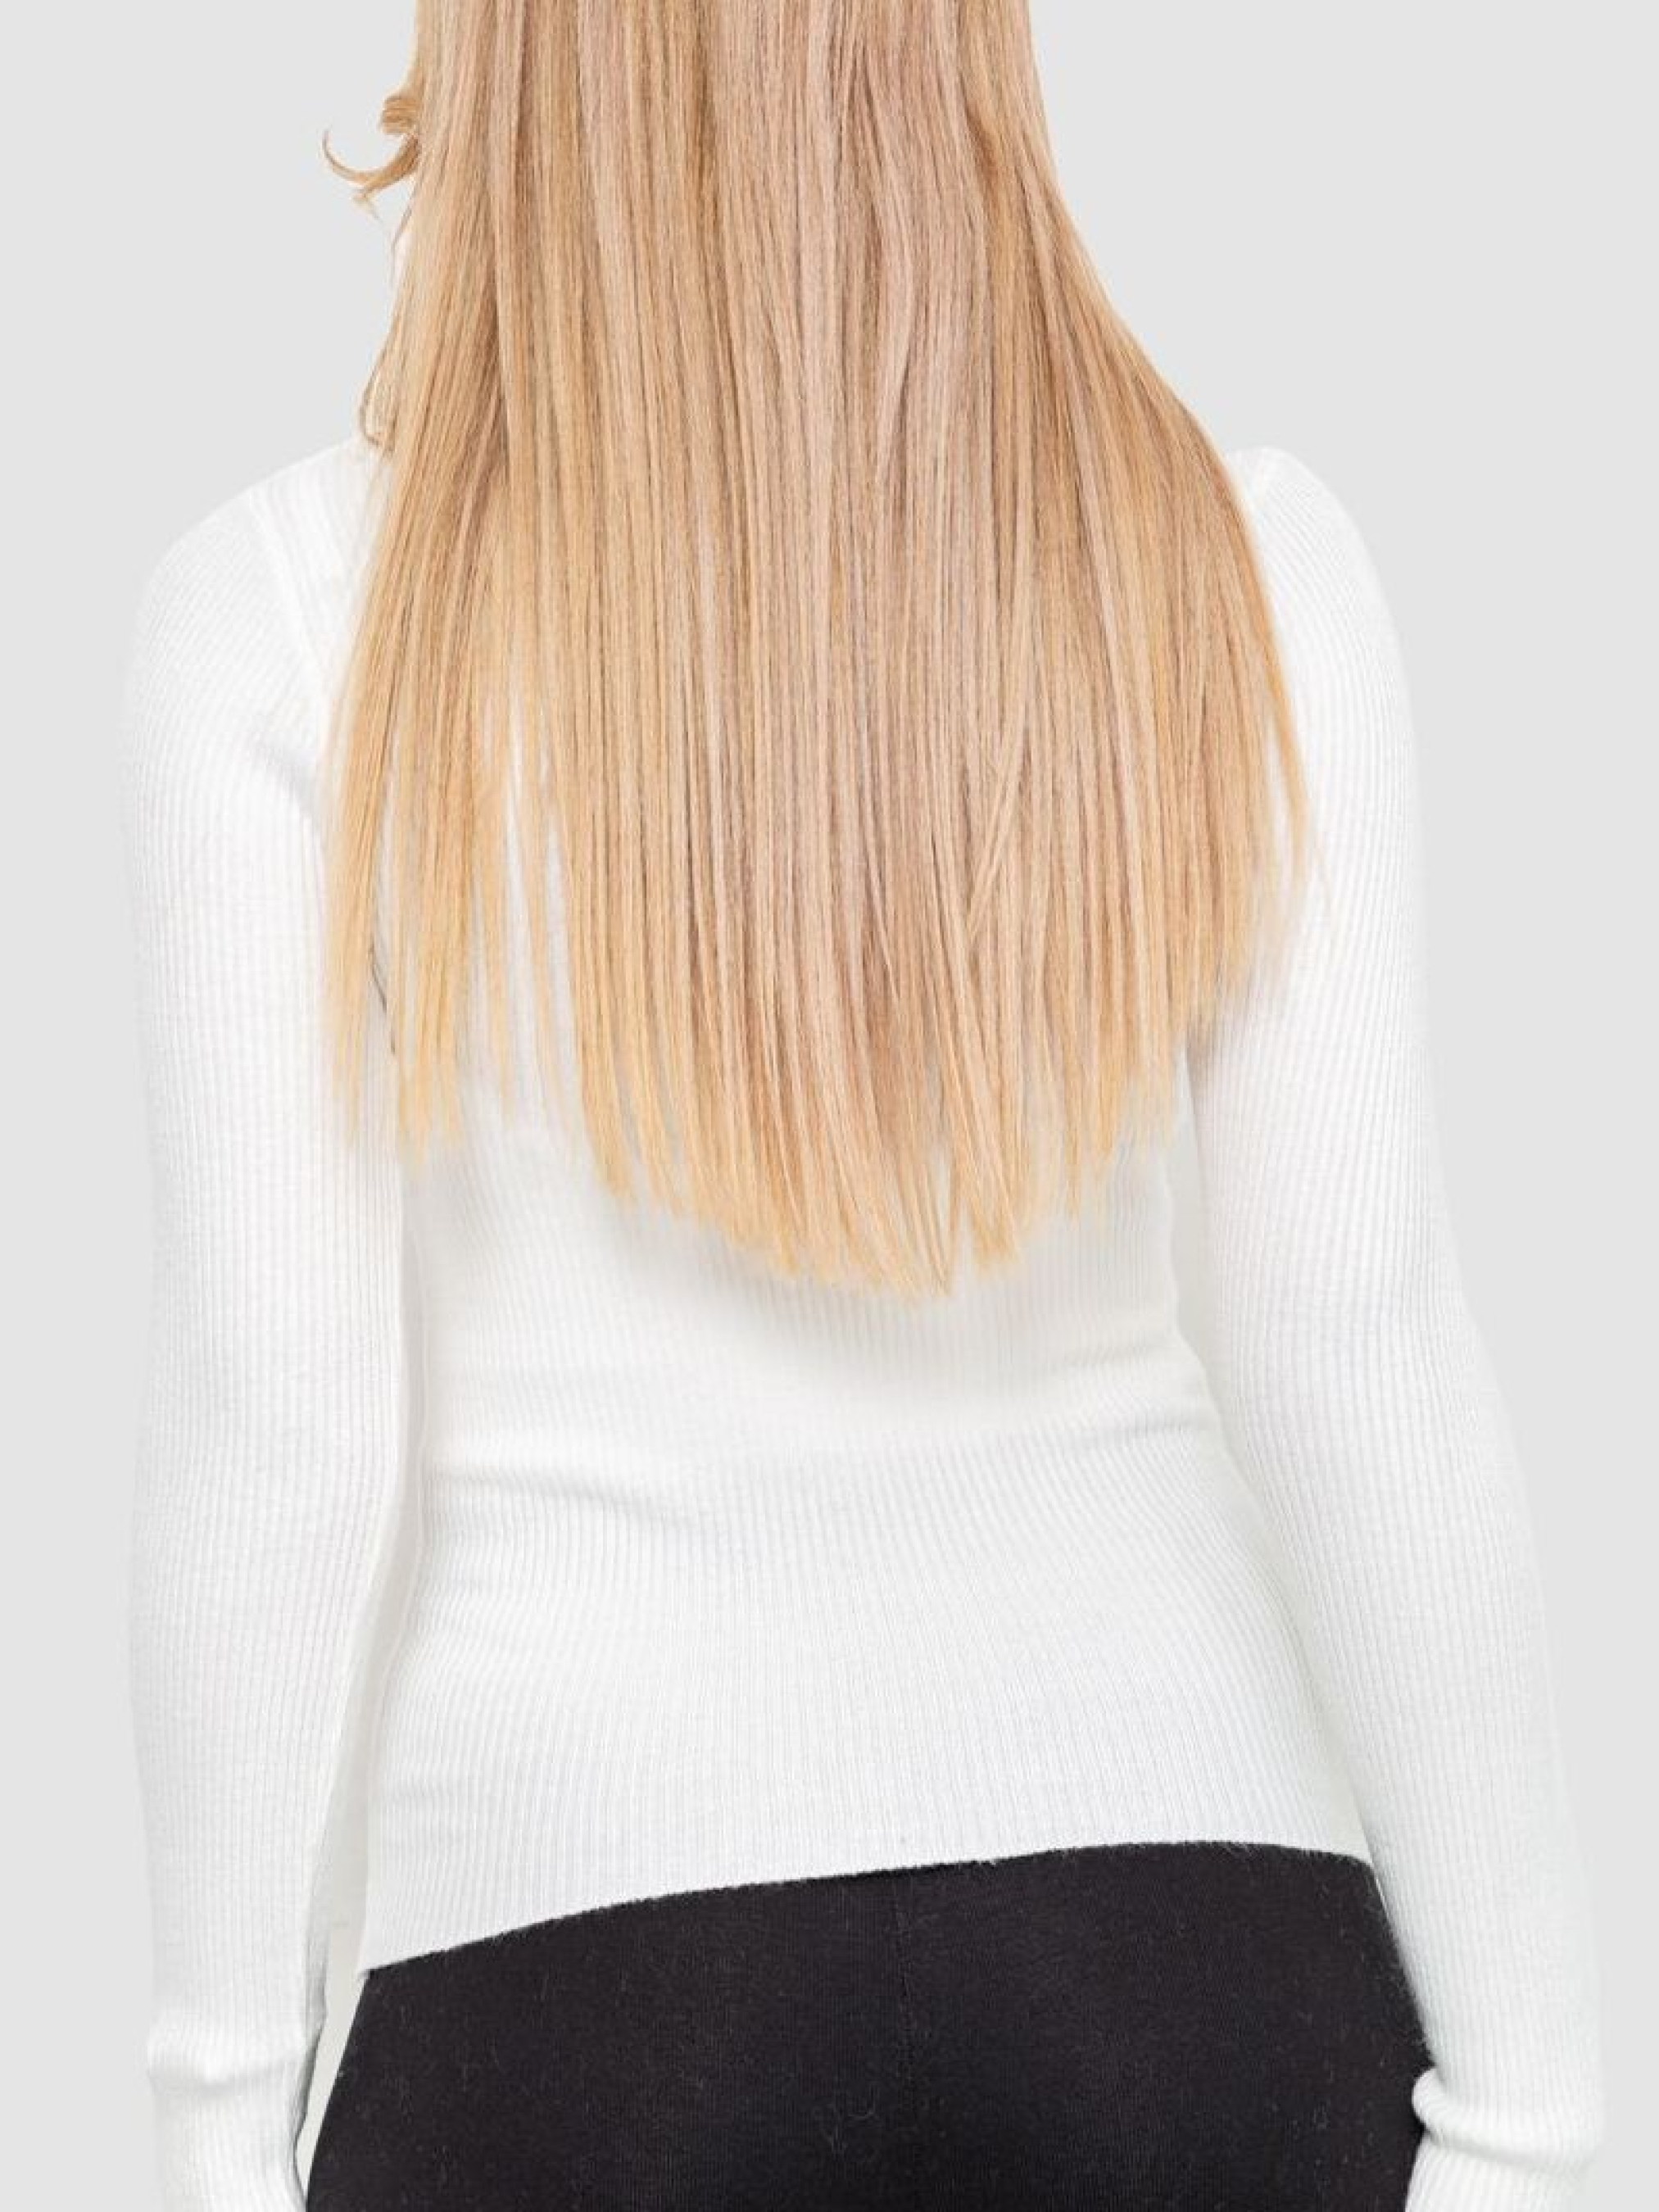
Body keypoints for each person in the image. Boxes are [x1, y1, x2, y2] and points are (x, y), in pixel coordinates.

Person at [116, 6, 1604, 2210]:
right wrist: (1534, 2121)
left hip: (571, 1994)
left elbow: (277, 1438)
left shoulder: (286, 623)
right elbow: (1355, 1346)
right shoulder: (1239, 563)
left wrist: (213, 2130)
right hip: (1197, 1963)